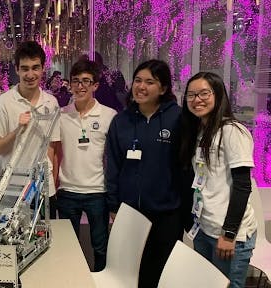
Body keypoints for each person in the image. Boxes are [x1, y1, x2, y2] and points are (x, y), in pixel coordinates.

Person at [106, 59, 183, 287]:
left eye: (150, 82)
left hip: (167, 212)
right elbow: (113, 166)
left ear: (163, 88)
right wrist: (113, 205)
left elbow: (186, 166)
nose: (141, 86)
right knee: (134, 272)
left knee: (164, 273)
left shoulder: (178, 118)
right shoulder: (121, 121)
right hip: (131, 212)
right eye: (138, 80)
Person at [180, 72, 256, 288]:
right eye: (191, 95)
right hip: (204, 229)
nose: (197, 100)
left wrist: (229, 234)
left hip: (228, 234)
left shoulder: (233, 131)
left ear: (218, 94)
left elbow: (242, 186)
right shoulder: (200, 131)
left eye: (204, 93)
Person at [0, 41, 60, 218]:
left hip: (43, 189)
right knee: (10, 242)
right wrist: (17, 130)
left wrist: (51, 181)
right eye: (25, 68)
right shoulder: (2, 103)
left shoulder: (51, 102)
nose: (30, 74)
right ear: (17, 69)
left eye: (35, 68)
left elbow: (52, 147)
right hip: (12, 188)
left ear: (43, 69)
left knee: (45, 239)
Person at [56, 59, 117, 272]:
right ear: (69, 84)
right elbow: (54, 152)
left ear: (95, 85)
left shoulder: (109, 116)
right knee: (68, 247)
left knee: (100, 246)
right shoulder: (61, 115)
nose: (80, 86)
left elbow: (114, 159)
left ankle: (100, 280)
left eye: (85, 81)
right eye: (75, 81)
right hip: (67, 191)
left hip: (97, 192)